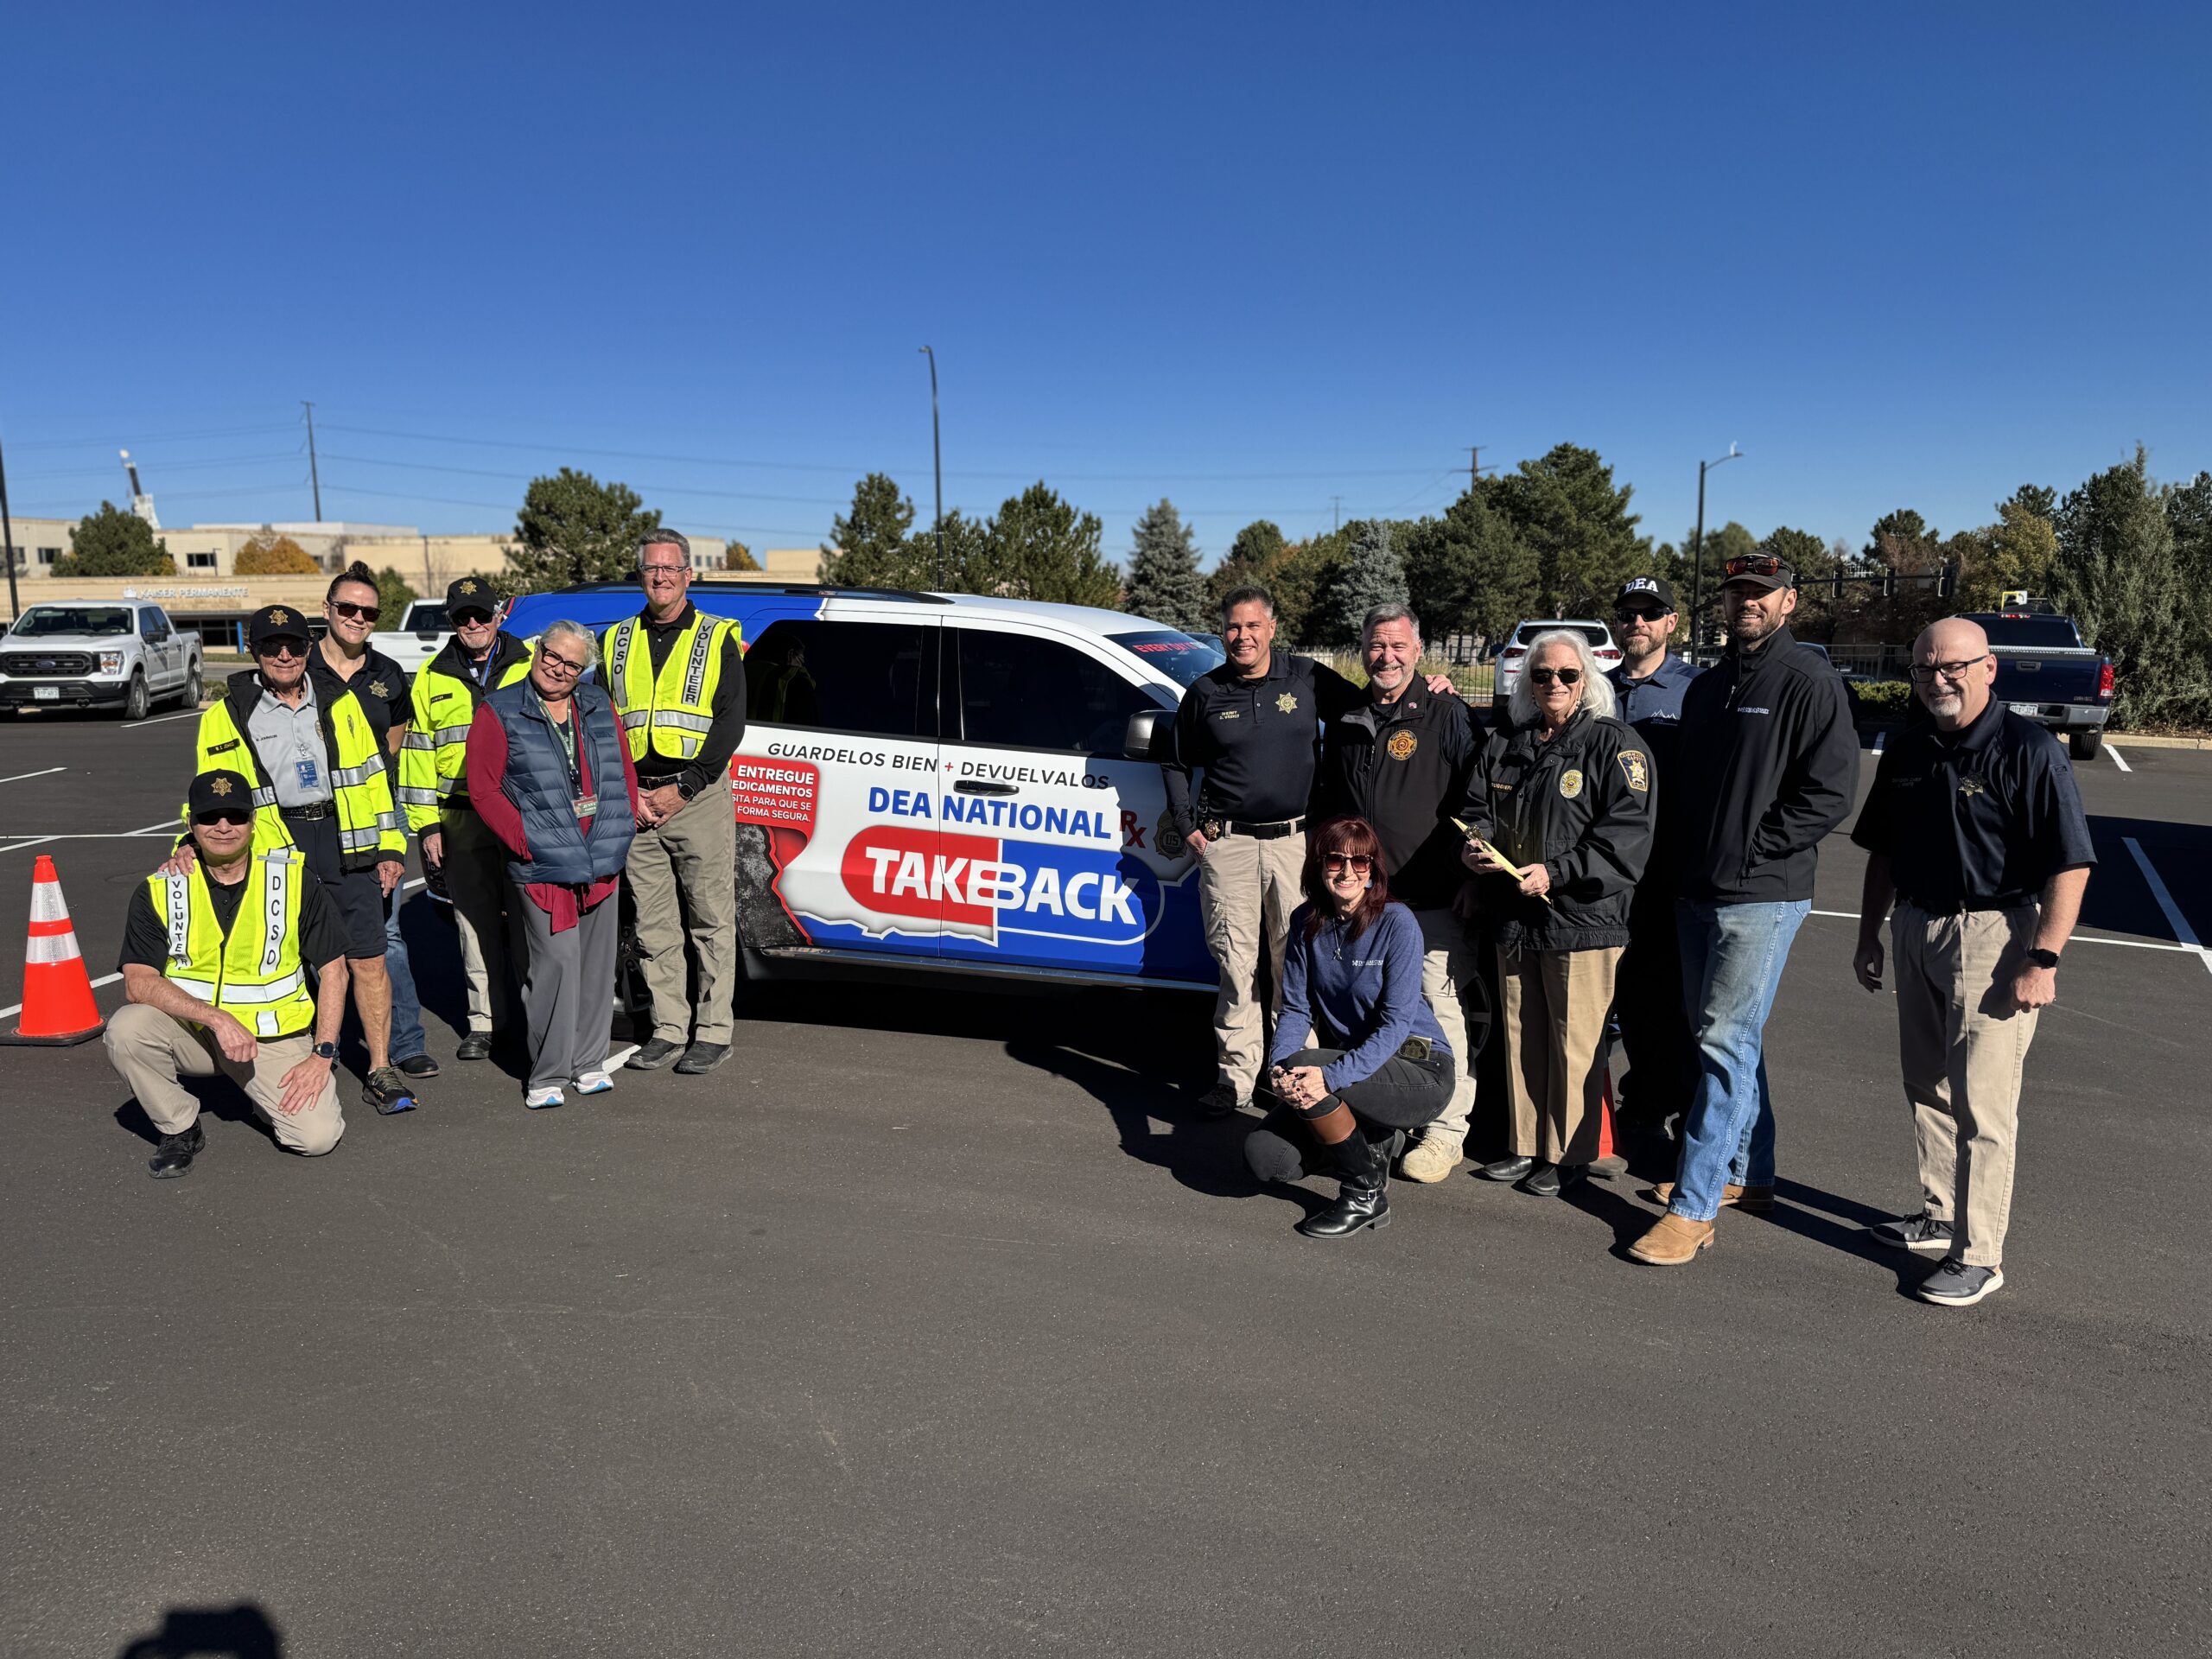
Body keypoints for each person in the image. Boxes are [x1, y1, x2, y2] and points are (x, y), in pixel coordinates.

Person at [1849, 617, 2094, 1307]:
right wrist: (1871, 934)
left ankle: (1980, 1254)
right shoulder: (1907, 748)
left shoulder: (2029, 749)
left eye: (1953, 666)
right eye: (1925, 668)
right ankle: (1938, 1214)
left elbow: (2070, 865)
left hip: (1994, 938)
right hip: (1916, 925)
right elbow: (1884, 853)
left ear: (1990, 669)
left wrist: (2043, 957)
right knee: (1926, 1083)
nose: (1938, 680)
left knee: (1985, 1106)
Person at [1629, 552, 1859, 1266]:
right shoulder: (1711, 685)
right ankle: (1749, 1174)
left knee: (1724, 1045)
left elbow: (1831, 792)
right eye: (1736, 594)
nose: (1746, 604)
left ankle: (1692, 1209)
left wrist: (1757, 852)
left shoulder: (1808, 681)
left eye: (1761, 594)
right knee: (1725, 1036)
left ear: (1789, 602)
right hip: (1696, 891)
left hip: (1760, 896)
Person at [1164, 585, 1452, 1118]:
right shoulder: (1205, 692)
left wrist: (1430, 687)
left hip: (1296, 843)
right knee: (1236, 965)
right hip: (1228, 845)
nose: (1242, 636)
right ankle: (1235, 1077)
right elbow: (1175, 762)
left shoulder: (1307, 677)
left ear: (1272, 629)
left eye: (1253, 626)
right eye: (1232, 626)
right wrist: (1187, 826)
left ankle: (1290, 1072)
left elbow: (1380, 696)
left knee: (1291, 962)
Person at [176, 604, 414, 1116]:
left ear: (308, 648)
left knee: (368, 958)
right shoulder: (227, 713)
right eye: (270, 646)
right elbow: (208, 792)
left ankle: (379, 1067)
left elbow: (374, 777)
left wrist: (392, 845)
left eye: (293, 645)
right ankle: (299, 1064)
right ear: (253, 651)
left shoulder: (342, 701)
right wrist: (187, 843)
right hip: (276, 848)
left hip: (347, 842)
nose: (284, 655)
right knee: (293, 963)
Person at [1463, 629, 1652, 1195]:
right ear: (1527, 681)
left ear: (1587, 681)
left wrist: (1557, 872)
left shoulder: (1616, 746)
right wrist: (1475, 843)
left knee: (1574, 1045)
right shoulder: (1507, 742)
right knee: (1523, 1036)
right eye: (1542, 675)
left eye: (1568, 675)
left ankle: (1567, 1156)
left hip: (1583, 921)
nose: (1554, 684)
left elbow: (1625, 840)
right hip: (1517, 919)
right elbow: (1478, 807)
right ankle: (1526, 1146)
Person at [105, 771, 350, 1177]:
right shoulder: (160, 888)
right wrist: (217, 1019)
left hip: (271, 1038)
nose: (223, 827)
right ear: (190, 825)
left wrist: (322, 1054)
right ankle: (180, 1127)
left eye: (235, 816)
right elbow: (138, 982)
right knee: (126, 1029)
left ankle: (261, 1095)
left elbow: (334, 971)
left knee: (316, 1139)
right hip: (195, 1030)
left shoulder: (292, 880)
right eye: (210, 817)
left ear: (253, 821)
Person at [1314, 601, 1485, 1182]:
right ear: (1363, 650)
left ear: (1418, 651)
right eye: (1375, 646)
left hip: (1432, 897)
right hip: (1364, 902)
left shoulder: (1447, 714)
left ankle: (1446, 1132)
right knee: (1371, 1012)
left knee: (1437, 1008)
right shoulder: (1348, 721)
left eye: (1397, 646)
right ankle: (1387, 1117)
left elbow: (1478, 804)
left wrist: (1471, 879)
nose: (1385, 657)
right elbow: (1331, 809)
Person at [1243, 817, 1456, 1239]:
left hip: (1419, 1068)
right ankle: (1368, 1140)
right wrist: (1281, 1069)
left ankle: (1365, 1194)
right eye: (1335, 860)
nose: (1346, 872)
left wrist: (1328, 1075)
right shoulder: (1306, 920)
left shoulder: (1397, 923)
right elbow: (1295, 1009)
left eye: (1360, 863)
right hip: (1360, 1071)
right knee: (1267, 1159)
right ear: (1319, 866)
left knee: (1313, 1066)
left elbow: (1396, 1023)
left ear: (1373, 870)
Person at [468, 622, 639, 1109]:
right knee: (556, 963)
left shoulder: (598, 705)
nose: (557, 668)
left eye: (571, 664)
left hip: (600, 852)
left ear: (583, 671)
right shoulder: (499, 708)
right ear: (537, 650)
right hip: (541, 860)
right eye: (551, 655)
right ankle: (547, 1073)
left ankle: (588, 1063)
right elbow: (484, 790)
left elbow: (621, 771)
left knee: (596, 965)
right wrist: (525, 842)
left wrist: (621, 826)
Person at [601, 531, 747, 1076]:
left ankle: (712, 1032)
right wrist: (629, 792)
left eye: (671, 568)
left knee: (709, 920)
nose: (660, 577)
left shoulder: (715, 638)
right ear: (639, 575)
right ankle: (666, 1028)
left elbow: (730, 721)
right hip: (636, 800)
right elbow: (604, 724)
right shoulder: (615, 641)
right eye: (650, 569)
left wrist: (683, 788)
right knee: (655, 925)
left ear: (688, 575)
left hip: (697, 796)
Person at [310, 562, 435, 1085]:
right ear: (328, 610)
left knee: (386, 938)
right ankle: (323, 1045)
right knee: (310, 942)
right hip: (311, 826)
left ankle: (404, 1045)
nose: (358, 618)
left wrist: (388, 830)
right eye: (348, 608)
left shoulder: (387, 675)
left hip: (374, 822)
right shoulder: (299, 667)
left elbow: (393, 744)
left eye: (368, 611)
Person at [399, 576, 533, 1061]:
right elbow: (417, 755)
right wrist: (427, 826)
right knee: (473, 923)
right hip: (458, 819)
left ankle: (536, 1017)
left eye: (480, 614)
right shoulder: (432, 677)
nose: (473, 623)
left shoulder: (530, 663)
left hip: (522, 814)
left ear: (498, 615)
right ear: (451, 622)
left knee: (528, 918)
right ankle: (485, 1022)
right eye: (462, 617)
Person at [1605, 575, 1704, 1145]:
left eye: (1650, 613)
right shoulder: (1593, 687)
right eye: (1629, 613)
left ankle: (1670, 1112)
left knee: (1671, 1003)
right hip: (1605, 875)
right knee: (1618, 998)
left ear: (1672, 622)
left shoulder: (1696, 690)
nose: (1637, 622)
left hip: (1668, 873)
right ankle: (1632, 1106)